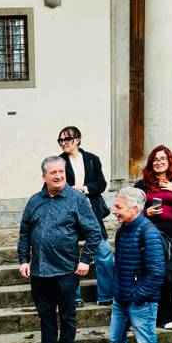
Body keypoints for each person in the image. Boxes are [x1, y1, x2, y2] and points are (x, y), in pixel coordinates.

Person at [18, 156, 101, 343]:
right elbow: (24, 233)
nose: (58, 176)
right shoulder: (34, 201)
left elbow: (94, 232)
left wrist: (85, 259)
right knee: (45, 313)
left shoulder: (76, 199)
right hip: (39, 269)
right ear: (44, 177)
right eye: (53, 173)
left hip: (67, 269)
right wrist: (23, 260)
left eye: (61, 172)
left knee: (67, 314)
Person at [102, 187, 165, 343]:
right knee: (115, 339)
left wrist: (138, 296)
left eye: (118, 207)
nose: (114, 211)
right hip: (121, 297)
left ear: (135, 209)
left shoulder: (149, 233)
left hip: (141, 301)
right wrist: (119, 291)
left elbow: (157, 273)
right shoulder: (123, 230)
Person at [134, 144, 172, 330]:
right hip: (148, 232)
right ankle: (147, 315)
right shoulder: (142, 185)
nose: (159, 163)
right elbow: (133, 209)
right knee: (149, 273)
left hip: (171, 236)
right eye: (155, 160)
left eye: (163, 159)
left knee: (168, 273)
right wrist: (146, 212)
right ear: (151, 163)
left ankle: (167, 315)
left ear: (169, 162)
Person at [58, 125, 114, 306]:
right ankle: (75, 297)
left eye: (66, 139)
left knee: (104, 252)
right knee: (70, 254)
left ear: (77, 139)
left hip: (92, 212)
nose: (63, 143)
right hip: (69, 213)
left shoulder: (92, 159)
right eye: (60, 140)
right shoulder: (59, 162)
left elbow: (101, 184)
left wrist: (84, 189)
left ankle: (106, 295)